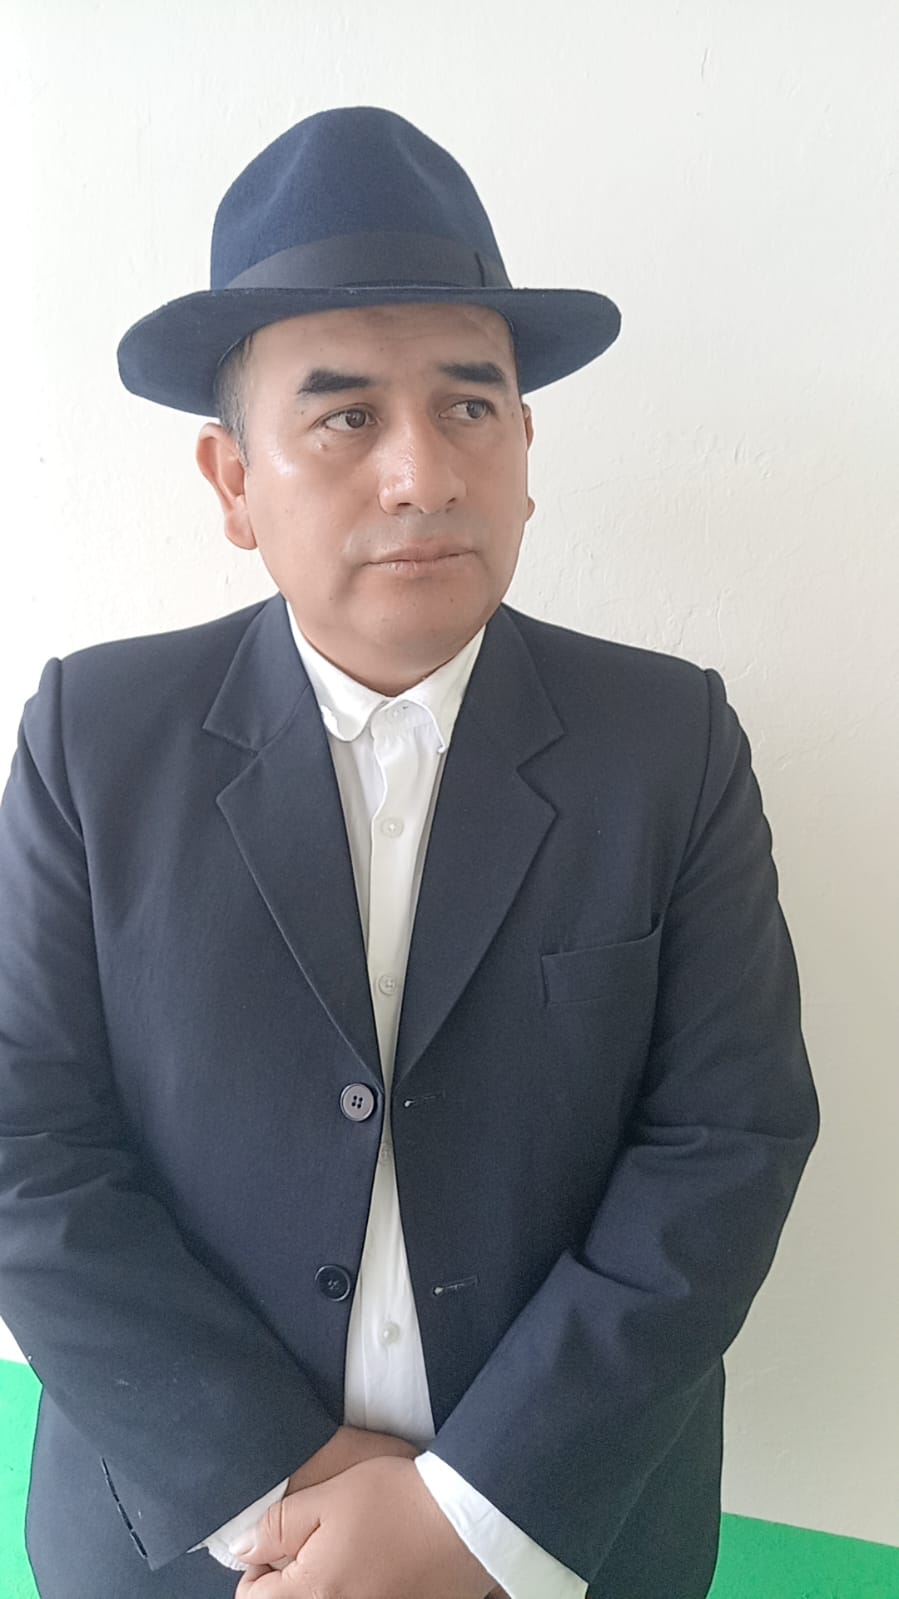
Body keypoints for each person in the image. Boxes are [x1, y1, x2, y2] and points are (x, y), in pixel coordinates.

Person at [0, 106, 819, 1599]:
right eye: (344, 417)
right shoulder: (92, 740)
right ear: (232, 482)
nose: (421, 475)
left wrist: (474, 1516)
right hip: (186, 1543)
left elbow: (729, 1138)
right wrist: (284, 1485)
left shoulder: (670, 742)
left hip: (565, 1532)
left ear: (526, 449)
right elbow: (24, 1144)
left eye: (468, 407)